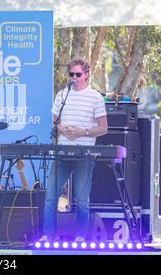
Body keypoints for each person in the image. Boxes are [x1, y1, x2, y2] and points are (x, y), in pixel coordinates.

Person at [41, 58, 108, 242]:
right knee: (50, 197)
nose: (74, 77)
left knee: (81, 199)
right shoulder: (62, 95)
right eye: (71, 74)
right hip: (62, 151)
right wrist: (62, 129)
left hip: (83, 154)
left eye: (78, 74)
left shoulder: (95, 97)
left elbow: (103, 128)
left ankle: (80, 236)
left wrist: (83, 131)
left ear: (86, 75)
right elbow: (55, 123)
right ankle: (48, 235)